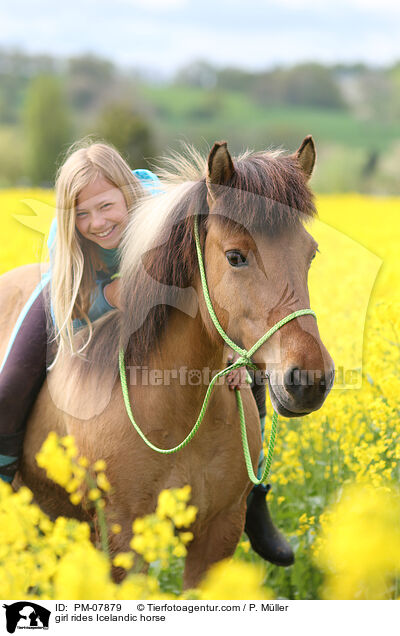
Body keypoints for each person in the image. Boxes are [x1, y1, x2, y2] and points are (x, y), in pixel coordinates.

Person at [0, 139, 293, 566]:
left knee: (254, 365)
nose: (96, 223)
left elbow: (208, 291)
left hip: (152, 300)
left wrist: (235, 356)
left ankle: (255, 493)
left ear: (126, 192)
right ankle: (6, 492)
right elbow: (74, 308)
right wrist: (113, 297)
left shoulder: (162, 216)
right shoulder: (64, 242)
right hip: (76, 293)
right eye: (81, 213)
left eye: (105, 206)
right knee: (8, 391)